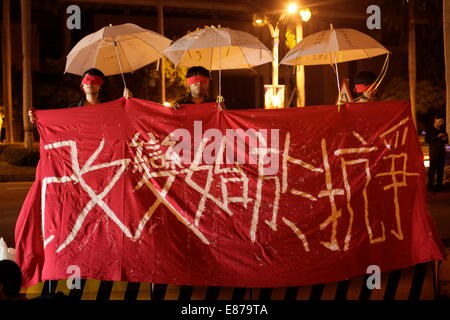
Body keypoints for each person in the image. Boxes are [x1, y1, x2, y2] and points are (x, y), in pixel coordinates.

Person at [28, 68, 132, 122]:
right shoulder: (72, 110)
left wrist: (129, 102)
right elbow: (58, 123)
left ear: (101, 85)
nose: (90, 83)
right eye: (87, 80)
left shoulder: (110, 108)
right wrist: (38, 118)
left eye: (95, 81)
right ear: (82, 85)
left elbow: (125, 119)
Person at [425, 113, 448, 192]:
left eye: (442, 122)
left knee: (440, 170)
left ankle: (439, 186)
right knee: (432, 170)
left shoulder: (442, 129)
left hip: (442, 152)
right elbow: (427, 140)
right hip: (434, 153)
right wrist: (437, 137)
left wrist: (445, 138)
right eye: (440, 121)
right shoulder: (430, 129)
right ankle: (430, 187)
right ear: (435, 120)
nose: (441, 123)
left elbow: (446, 140)